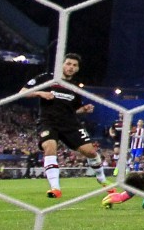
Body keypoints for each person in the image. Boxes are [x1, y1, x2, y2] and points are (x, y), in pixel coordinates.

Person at [19, 53, 113, 198]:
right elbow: (22, 93)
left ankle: (102, 179)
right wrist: (40, 93)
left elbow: (74, 110)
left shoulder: (74, 88)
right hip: (48, 122)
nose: (71, 67)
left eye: (74, 65)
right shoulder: (46, 78)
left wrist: (84, 109)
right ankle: (55, 188)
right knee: (49, 147)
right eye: (68, 64)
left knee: (91, 152)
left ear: (77, 69)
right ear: (62, 65)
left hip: (70, 124)